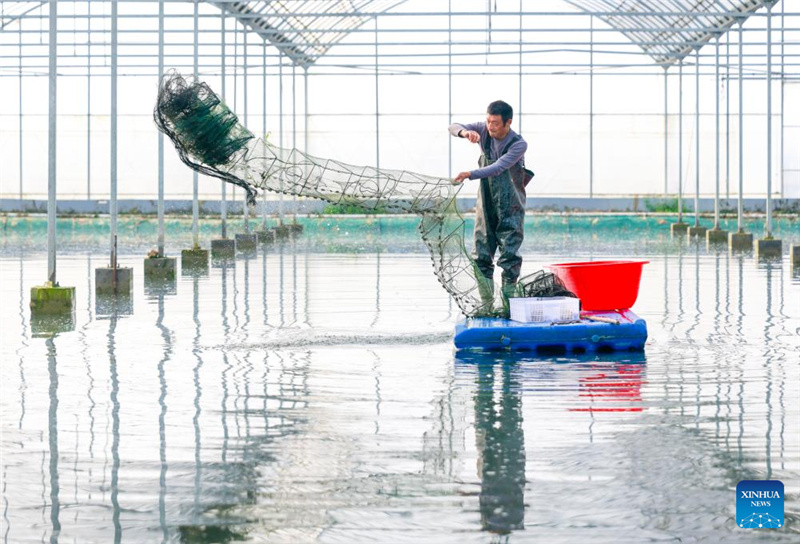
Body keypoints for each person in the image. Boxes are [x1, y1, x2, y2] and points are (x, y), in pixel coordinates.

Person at [449, 100, 529, 312]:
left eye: (495, 123)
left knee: (509, 255)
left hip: (511, 205)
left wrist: (470, 174)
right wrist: (465, 133)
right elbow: (453, 126)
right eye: (487, 121)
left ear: (508, 123)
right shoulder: (484, 132)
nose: (490, 126)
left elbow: (498, 168)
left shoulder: (518, 144)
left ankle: (508, 307)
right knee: (481, 254)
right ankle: (486, 306)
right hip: (486, 204)